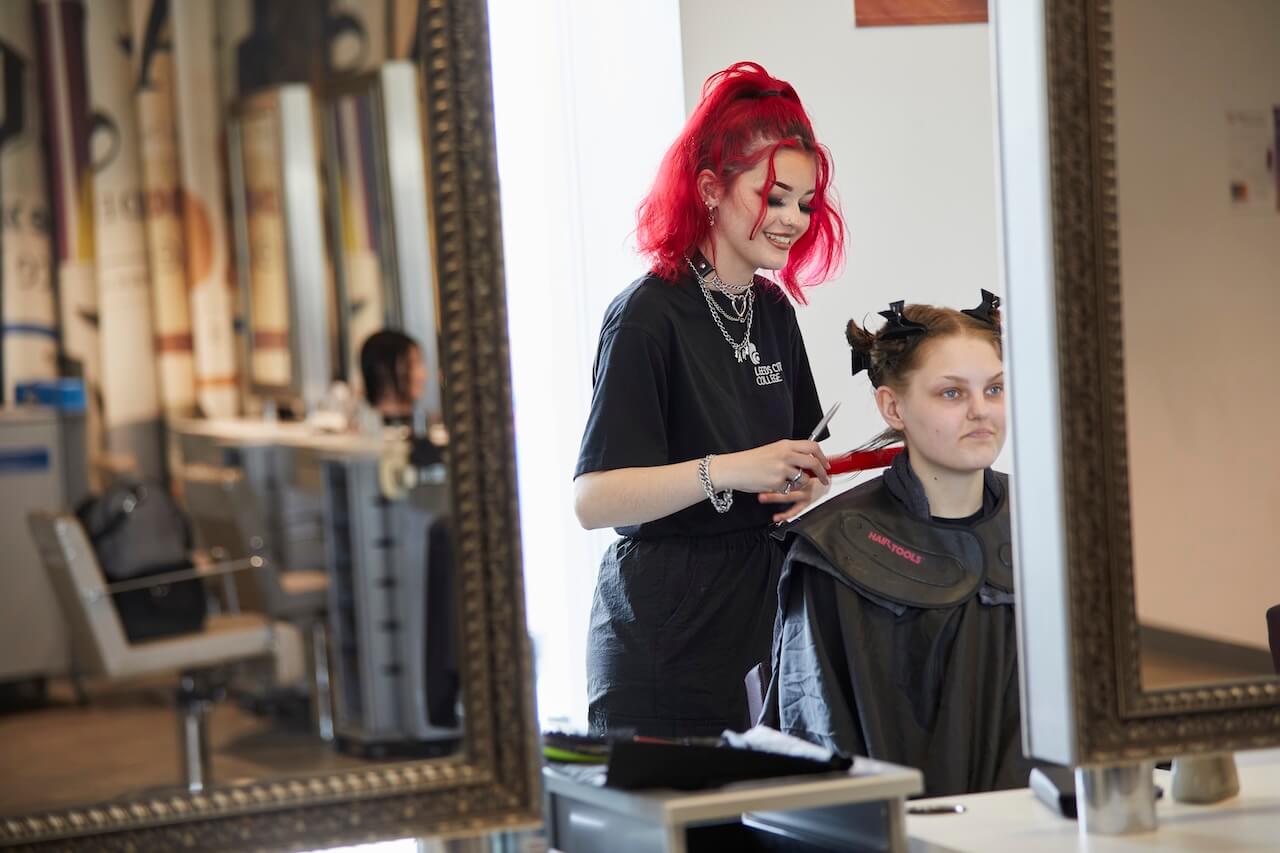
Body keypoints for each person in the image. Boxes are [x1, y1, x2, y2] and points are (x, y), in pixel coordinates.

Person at [573, 61, 846, 738]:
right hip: (664, 636)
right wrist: (726, 470)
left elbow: (794, 465)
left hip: (761, 624)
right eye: (774, 197)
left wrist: (801, 482)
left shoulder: (773, 312)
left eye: (804, 204)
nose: (792, 220)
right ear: (710, 190)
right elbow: (594, 501)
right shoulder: (646, 316)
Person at [760, 291, 1032, 795]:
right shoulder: (835, 550)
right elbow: (815, 743)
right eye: (951, 393)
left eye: (994, 389)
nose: (981, 411)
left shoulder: (1051, 527)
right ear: (892, 407)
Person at [359, 329, 427, 425]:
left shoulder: (424, 424)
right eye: (410, 365)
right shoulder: (362, 428)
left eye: (419, 364)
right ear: (383, 370)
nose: (422, 374)